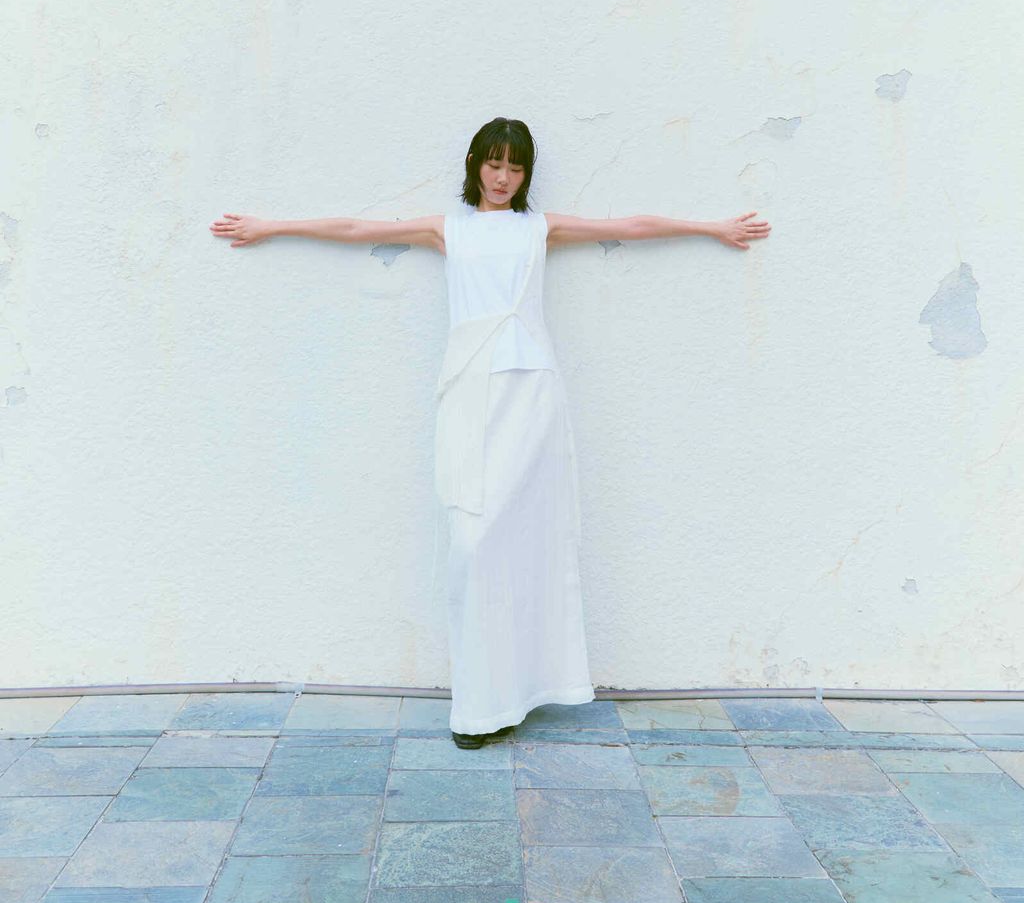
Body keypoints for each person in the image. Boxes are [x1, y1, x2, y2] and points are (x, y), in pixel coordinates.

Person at [209, 118, 771, 749]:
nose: (502, 178)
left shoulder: (539, 229)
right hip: (471, 390)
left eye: (515, 168)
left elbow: (629, 227)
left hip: (531, 396)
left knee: (528, 543)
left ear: (526, 174)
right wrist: (270, 226)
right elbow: (356, 229)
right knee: (472, 547)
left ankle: (519, 694)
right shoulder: (448, 229)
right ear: (475, 163)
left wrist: (713, 228)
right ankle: (479, 704)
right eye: (494, 164)